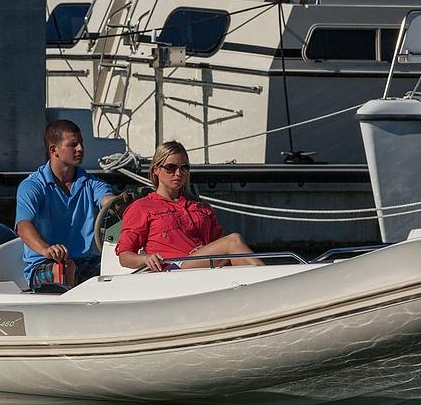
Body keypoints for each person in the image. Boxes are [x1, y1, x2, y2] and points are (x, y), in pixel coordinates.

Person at [116, 141, 263, 272]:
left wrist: (205, 249)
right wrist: (145, 259)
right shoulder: (141, 207)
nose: (178, 173)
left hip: (203, 268)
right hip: (172, 270)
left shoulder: (201, 207)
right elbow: (124, 256)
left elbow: (217, 242)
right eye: (171, 168)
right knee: (233, 241)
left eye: (184, 168)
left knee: (234, 250)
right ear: (156, 170)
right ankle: (270, 283)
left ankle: (266, 287)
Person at [15, 119, 122, 288]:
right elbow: (23, 227)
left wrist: (120, 205)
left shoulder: (92, 183)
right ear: (54, 150)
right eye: (73, 145)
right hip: (45, 263)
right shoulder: (31, 186)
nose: (81, 149)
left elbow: (108, 201)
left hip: (84, 262)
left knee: (123, 265)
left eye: (81, 143)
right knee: (64, 268)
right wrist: (47, 250)